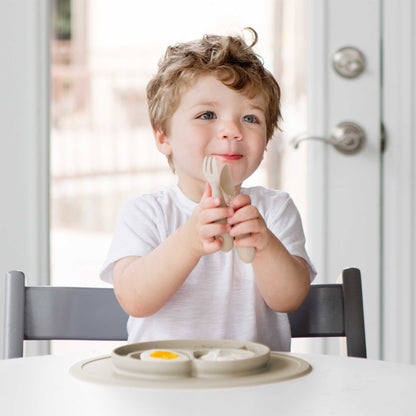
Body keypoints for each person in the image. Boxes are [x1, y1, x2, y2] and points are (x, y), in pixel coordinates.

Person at [100, 28, 316, 351]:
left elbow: (290, 299)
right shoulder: (147, 213)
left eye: (250, 118)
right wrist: (188, 241)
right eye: (208, 115)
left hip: (255, 386)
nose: (231, 130)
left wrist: (265, 245)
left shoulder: (274, 210)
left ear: (267, 139)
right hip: (164, 385)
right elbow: (134, 298)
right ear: (164, 138)